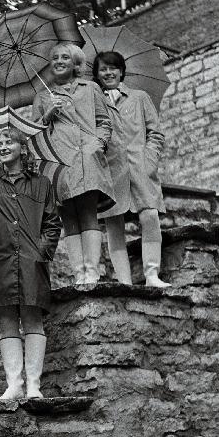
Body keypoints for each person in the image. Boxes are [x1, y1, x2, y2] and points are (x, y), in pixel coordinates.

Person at [0, 129, 61, 399]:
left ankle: (34, 385)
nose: (2, 147)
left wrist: (41, 252)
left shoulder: (41, 183)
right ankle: (15, 384)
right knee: (7, 321)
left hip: (29, 260)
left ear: (23, 149)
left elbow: (52, 223)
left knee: (33, 319)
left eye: (8, 142)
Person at [32, 42, 114, 287]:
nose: (58, 61)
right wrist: (48, 114)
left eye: (64, 57)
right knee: (68, 216)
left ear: (76, 64)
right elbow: (34, 134)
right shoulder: (42, 95)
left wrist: (97, 144)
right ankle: (79, 273)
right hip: (58, 161)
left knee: (88, 212)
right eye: (54, 57)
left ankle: (93, 271)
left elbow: (104, 121)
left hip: (86, 157)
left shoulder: (90, 88)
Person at [93, 50, 171, 288]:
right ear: (97, 74)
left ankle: (151, 275)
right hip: (110, 171)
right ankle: (125, 281)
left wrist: (149, 161)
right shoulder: (94, 101)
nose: (108, 73)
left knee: (150, 216)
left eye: (113, 68)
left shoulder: (139, 97)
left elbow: (155, 133)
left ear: (121, 71)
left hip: (140, 167)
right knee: (114, 224)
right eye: (103, 69)